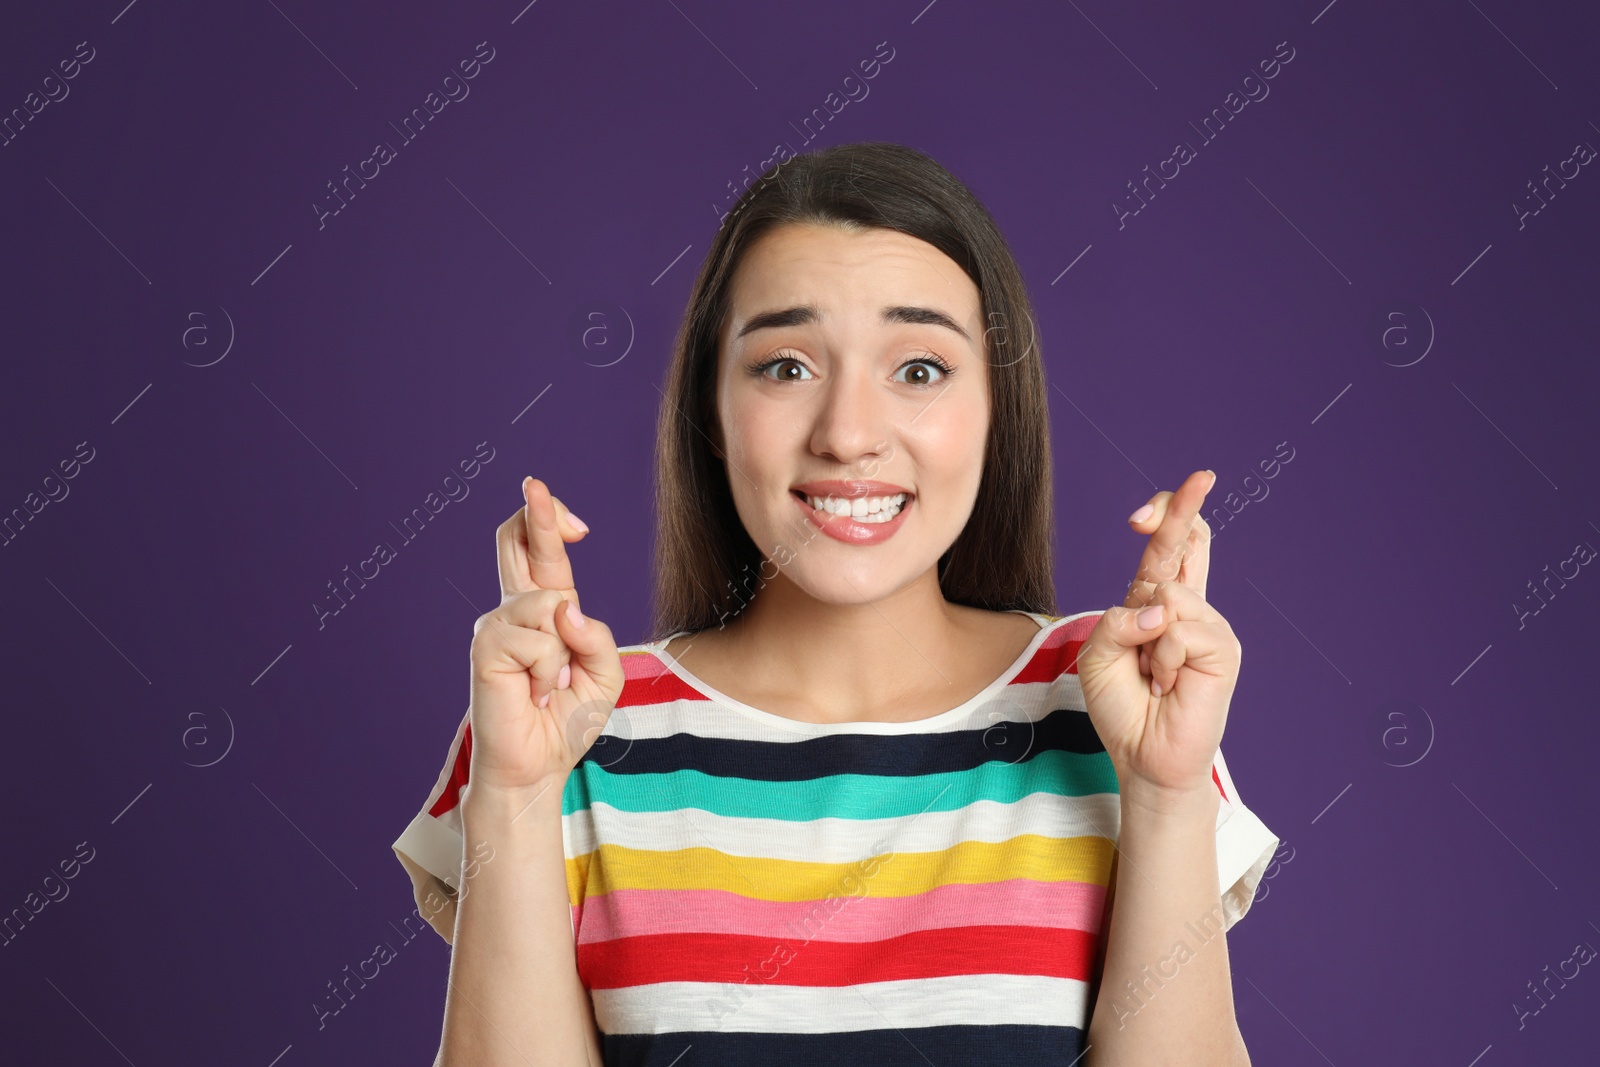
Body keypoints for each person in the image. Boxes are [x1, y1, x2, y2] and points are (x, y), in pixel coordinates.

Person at [392, 141, 1280, 1066]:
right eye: (785, 366)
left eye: (921, 369)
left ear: (996, 404)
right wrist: (517, 794)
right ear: (714, 405)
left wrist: (1169, 798)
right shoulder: (568, 730)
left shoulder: (1115, 714)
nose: (849, 435)